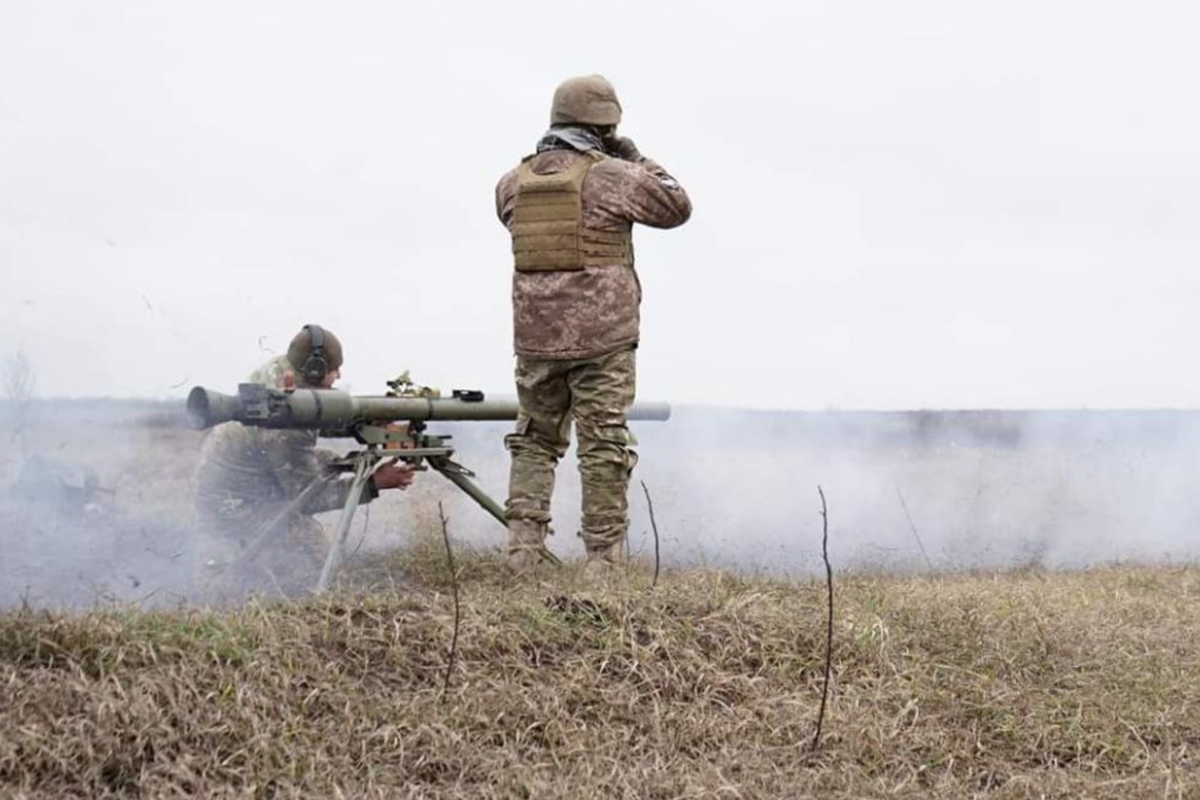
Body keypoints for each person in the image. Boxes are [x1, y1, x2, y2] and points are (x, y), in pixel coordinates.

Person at [494, 74, 692, 574]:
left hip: (536, 339)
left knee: (534, 440)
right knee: (603, 443)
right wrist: (636, 159)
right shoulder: (611, 176)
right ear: (606, 123)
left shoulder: (511, 182)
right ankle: (603, 560)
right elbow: (676, 206)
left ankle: (523, 551)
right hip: (602, 339)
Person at [193, 324, 416, 595]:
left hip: (241, 474)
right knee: (316, 563)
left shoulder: (284, 372)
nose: (339, 374)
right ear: (315, 369)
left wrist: (369, 423)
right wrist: (374, 484)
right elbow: (308, 498)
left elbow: (318, 416)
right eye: (334, 369)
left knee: (329, 459)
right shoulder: (287, 418)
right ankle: (247, 575)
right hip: (235, 501)